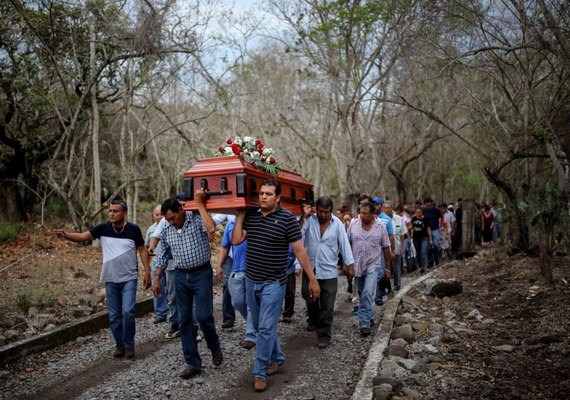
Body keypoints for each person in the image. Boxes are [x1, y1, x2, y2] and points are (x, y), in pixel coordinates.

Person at [232, 179, 320, 393]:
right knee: (264, 327)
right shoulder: (251, 217)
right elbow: (236, 241)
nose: (263, 196)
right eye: (261, 193)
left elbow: (300, 251)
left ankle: (259, 372)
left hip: (274, 283)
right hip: (251, 280)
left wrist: (312, 279)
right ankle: (277, 357)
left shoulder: (288, 219)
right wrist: (241, 213)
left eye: (268, 194)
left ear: (278, 198)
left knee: (263, 328)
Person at [55, 199, 151, 359]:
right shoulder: (103, 228)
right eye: (110, 211)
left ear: (124, 213)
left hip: (129, 278)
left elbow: (142, 249)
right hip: (110, 278)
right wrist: (66, 235)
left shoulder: (133, 229)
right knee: (114, 315)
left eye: (116, 211)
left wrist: (147, 271)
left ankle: (129, 344)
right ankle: (119, 345)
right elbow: (83, 236)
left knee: (128, 312)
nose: (112, 214)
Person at [152, 190, 223, 379]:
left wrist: (200, 204)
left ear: (182, 210)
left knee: (204, 316)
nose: (171, 222)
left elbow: (211, 229)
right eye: (168, 219)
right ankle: (193, 363)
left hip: (202, 273)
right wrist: (157, 278)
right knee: (184, 320)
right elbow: (163, 254)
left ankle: (214, 346)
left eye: (173, 217)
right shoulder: (166, 227)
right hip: (181, 276)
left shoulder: (196, 218)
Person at [300, 196, 355, 349]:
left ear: (331, 211)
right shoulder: (309, 220)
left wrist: (350, 264)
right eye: (320, 211)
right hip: (310, 269)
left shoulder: (337, 224)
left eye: (326, 212)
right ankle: (315, 321)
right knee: (308, 297)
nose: (323, 215)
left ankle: (324, 335)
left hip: (329, 271)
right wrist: (304, 217)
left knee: (327, 305)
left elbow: (344, 244)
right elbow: (297, 235)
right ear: (315, 210)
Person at [347, 202, 391, 337]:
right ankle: (369, 315)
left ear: (373, 215)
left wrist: (388, 268)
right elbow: (347, 244)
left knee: (367, 292)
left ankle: (364, 322)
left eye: (365, 213)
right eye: (361, 212)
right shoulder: (353, 225)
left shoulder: (381, 226)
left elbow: (386, 247)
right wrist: (346, 264)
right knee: (361, 292)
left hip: (373, 264)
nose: (362, 215)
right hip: (357, 264)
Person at [216, 217, 256, 349]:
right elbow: (225, 246)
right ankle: (256, 325)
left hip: (254, 269)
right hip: (237, 268)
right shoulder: (231, 224)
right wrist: (219, 265)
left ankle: (250, 334)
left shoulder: (256, 220)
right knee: (237, 302)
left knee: (251, 302)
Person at [212, 214, 237, 330]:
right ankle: (228, 318)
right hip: (230, 256)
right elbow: (214, 220)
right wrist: (219, 265)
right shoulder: (229, 212)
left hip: (247, 256)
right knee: (227, 284)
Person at [145, 205, 168, 324]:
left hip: (170, 262)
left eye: (161, 214)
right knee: (158, 287)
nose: (159, 217)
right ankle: (160, 313)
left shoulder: (170, 225)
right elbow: (147, 247)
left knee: (171, 288)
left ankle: (173, 312)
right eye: (156, 214)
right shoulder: (151, 229)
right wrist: (147, 266)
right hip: (155, 262)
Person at [383, 201, 407, 291]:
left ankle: (397, 284)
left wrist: (401, 247)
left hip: (396, 246)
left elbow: (402, 234)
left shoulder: (399, 219)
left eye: (388, 208)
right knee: (386, 267)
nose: (387, 210)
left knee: (396, 266)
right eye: (385, 208)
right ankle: (387, 287)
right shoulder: (380, 219)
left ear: (391, 208)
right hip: (385, 247)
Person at [411, 207, 433, 273]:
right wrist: (411, 234)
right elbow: (412, 227)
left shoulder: (425, 219)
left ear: (422, 212)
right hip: (416, 238)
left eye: (419, 212)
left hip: (424, 237)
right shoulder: (414, 219)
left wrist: (430, 239)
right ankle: (420, 266)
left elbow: (428, 229)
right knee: (418, 252)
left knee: (423, 251)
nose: (418, 214)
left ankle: (423, 266)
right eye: (417, 212)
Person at [422, 198, 442, 268]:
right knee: (428, 248)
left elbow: (442, 217)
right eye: (427, 205)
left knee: (436, 245)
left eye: (430, 205)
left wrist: (442, 225)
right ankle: (430, 262)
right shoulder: (424, 211)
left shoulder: (437, 210)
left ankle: (437, 260)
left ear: (432, 204)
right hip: (426, 230)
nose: (428, 207)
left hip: (435, 229)